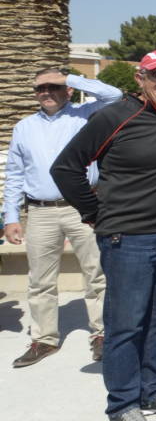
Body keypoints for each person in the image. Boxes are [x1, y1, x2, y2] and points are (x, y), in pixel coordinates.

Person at [51, 49, 156, 421]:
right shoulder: (114, 116)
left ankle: (154, 390)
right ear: (140, 79)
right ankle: (123, 403)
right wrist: (95, 213)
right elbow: (66, 168)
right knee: (127, 324)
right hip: (129, 240)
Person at [4, 68, 120, 368]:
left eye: (53, 86)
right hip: (40, 211)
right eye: (39, 88)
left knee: (98, 274)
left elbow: (115, 95)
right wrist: (11, 217)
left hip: (82, 206)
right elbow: (15, 175)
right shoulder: (24, 127)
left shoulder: (86, 114)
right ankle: (44, 339)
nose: (46, 92)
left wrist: (69, 78)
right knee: (40, 280)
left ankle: (103, 334)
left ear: (67, 89)